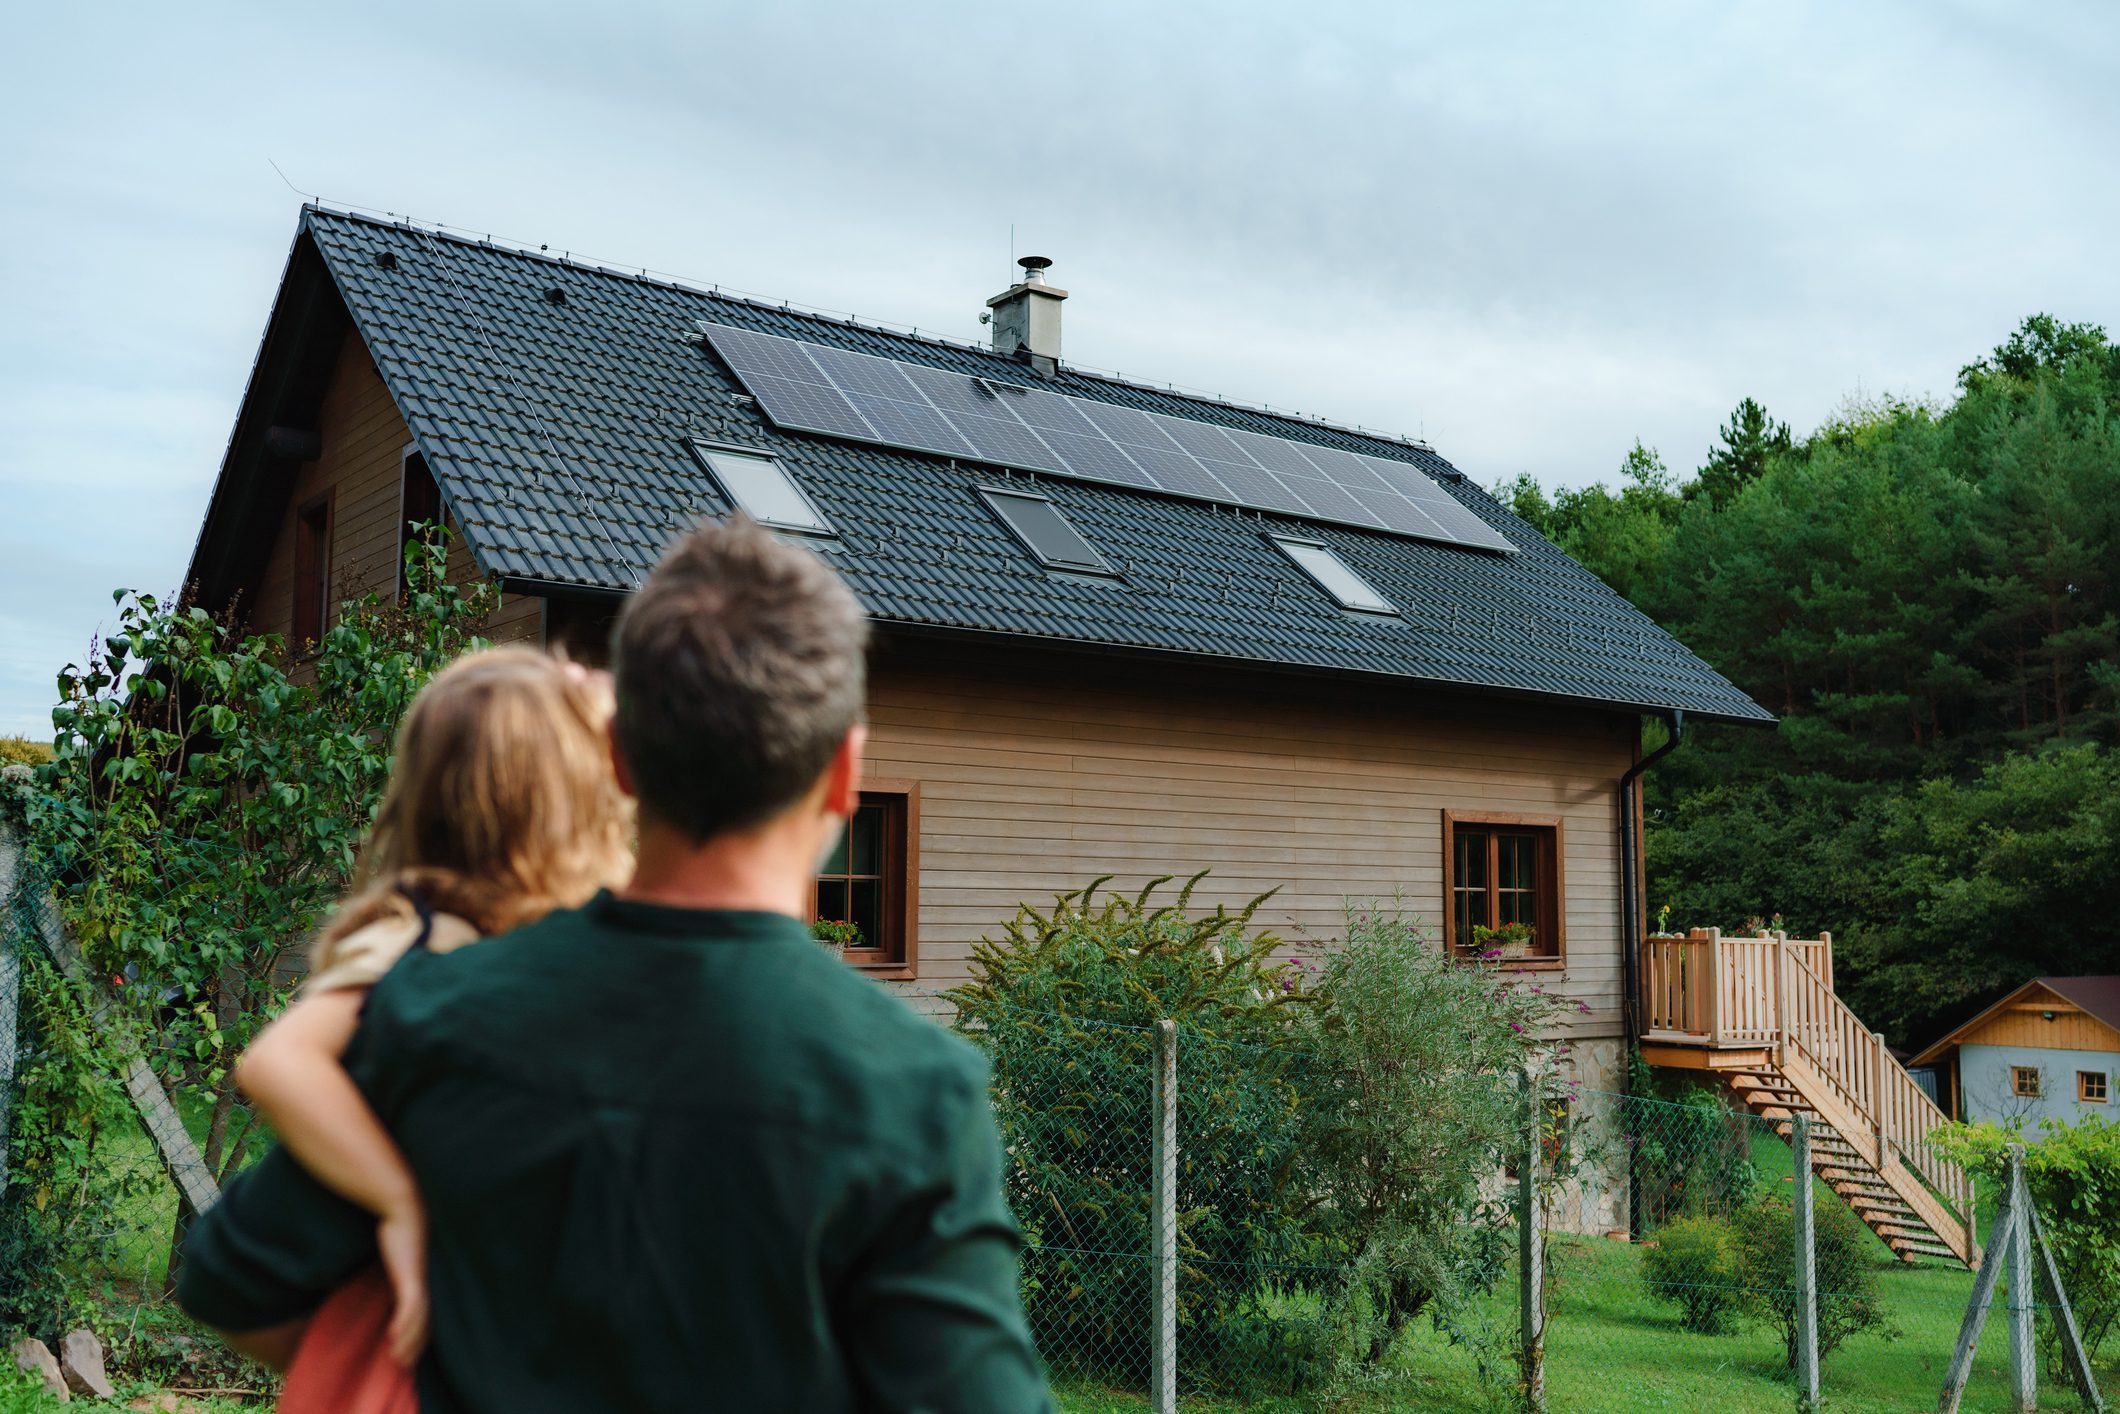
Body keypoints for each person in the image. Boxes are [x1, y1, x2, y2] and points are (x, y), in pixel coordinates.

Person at [178, 518, 1053, 1412]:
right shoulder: (914, 1092)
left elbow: (233, 1283)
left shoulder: (436, 1009)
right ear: (843, 774)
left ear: (622, 758)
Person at [231, 648, 632, 1403]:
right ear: (558, 801)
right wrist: (400, 1199)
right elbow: (277, 1062)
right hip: (407, 1350)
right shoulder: (424, 938)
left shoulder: (520, 932)